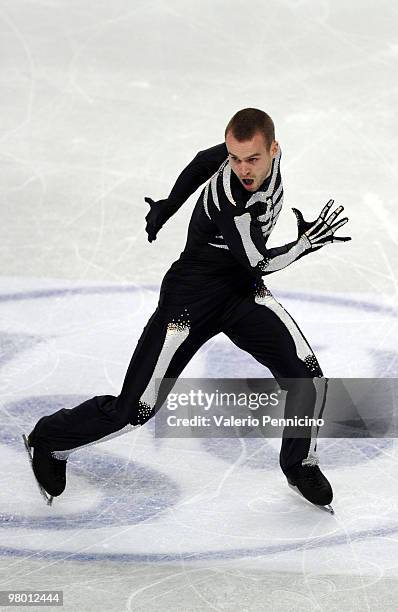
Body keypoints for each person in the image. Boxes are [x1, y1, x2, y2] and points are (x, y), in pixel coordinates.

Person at [25, 108, 350, 511]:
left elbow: (202, 160)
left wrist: (168, 205)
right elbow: (259, 261)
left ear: (273, 148)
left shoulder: (252, 156)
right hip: (189, 302)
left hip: (240, 293)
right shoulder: (233, 201)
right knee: (137, 409)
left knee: (308, 377)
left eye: (252, 158)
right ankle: (50, 438)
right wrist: (304, 244)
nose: (243, 169)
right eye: (234, 159)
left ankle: (299, 462)